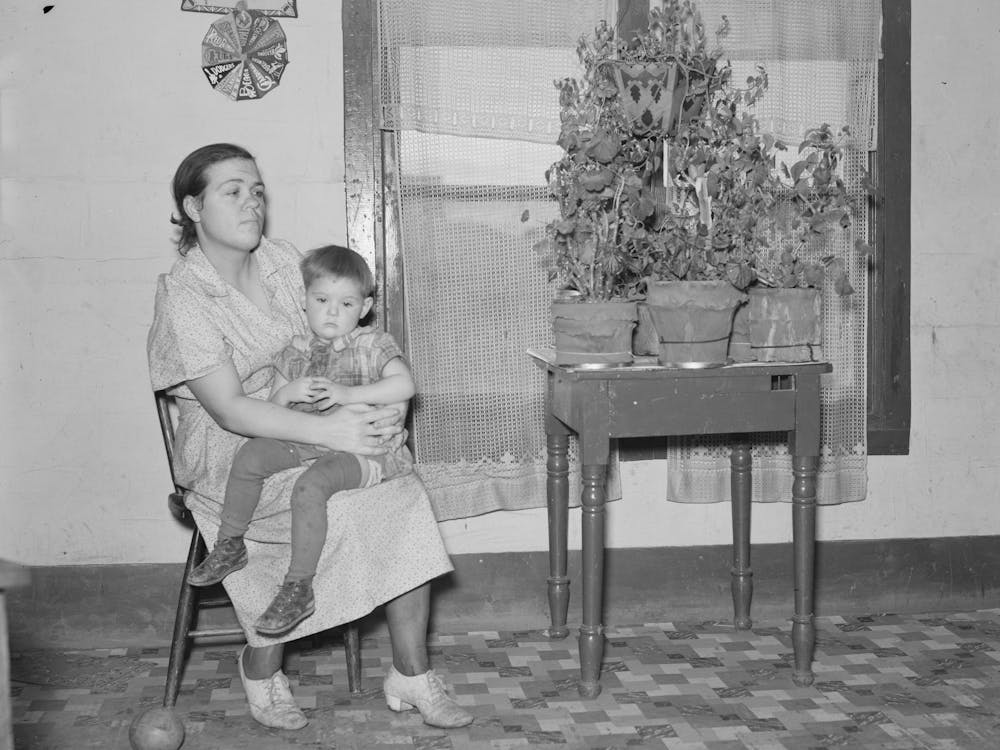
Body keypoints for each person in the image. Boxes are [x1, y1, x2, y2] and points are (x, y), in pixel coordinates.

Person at [147, 143, 473, 731]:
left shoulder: (281, 261)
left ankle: (411, 673)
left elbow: (338, 340)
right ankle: (260, 664)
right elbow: (230, 412)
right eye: (232, 191)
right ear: (193, 207)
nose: (252, 201)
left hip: (314, 415)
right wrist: (333, 425)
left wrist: (377, 407)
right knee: (338, 503)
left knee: (400, 493)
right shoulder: (184, 296)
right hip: (231, 450)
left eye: (257, 189)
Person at [186, 244, 417, 637]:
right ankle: (230, 543)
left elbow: (405, 383)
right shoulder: (293, 353)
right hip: (311, 444)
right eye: (322, 299)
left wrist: (348, 395)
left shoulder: (373, 345)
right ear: (303, 300)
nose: (332, 312)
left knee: (311, 486)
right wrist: (288, 391)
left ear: (363, 307)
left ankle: (298, 586)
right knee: (253, 454)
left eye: (346, 303)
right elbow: (274, 411)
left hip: (365, 452)